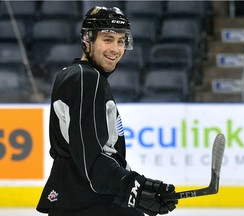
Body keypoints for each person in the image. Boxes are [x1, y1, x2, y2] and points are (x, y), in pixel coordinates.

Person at [36, 6, 177, 216]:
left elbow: (91, 151)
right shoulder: (86, 78)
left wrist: (137, 187)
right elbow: (90, 157)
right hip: (87, 201)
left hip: (83, 197)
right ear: (87, 41)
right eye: (108, 39)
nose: (116, 49)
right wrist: (134, 187)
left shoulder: (75, 75)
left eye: (121, 41)